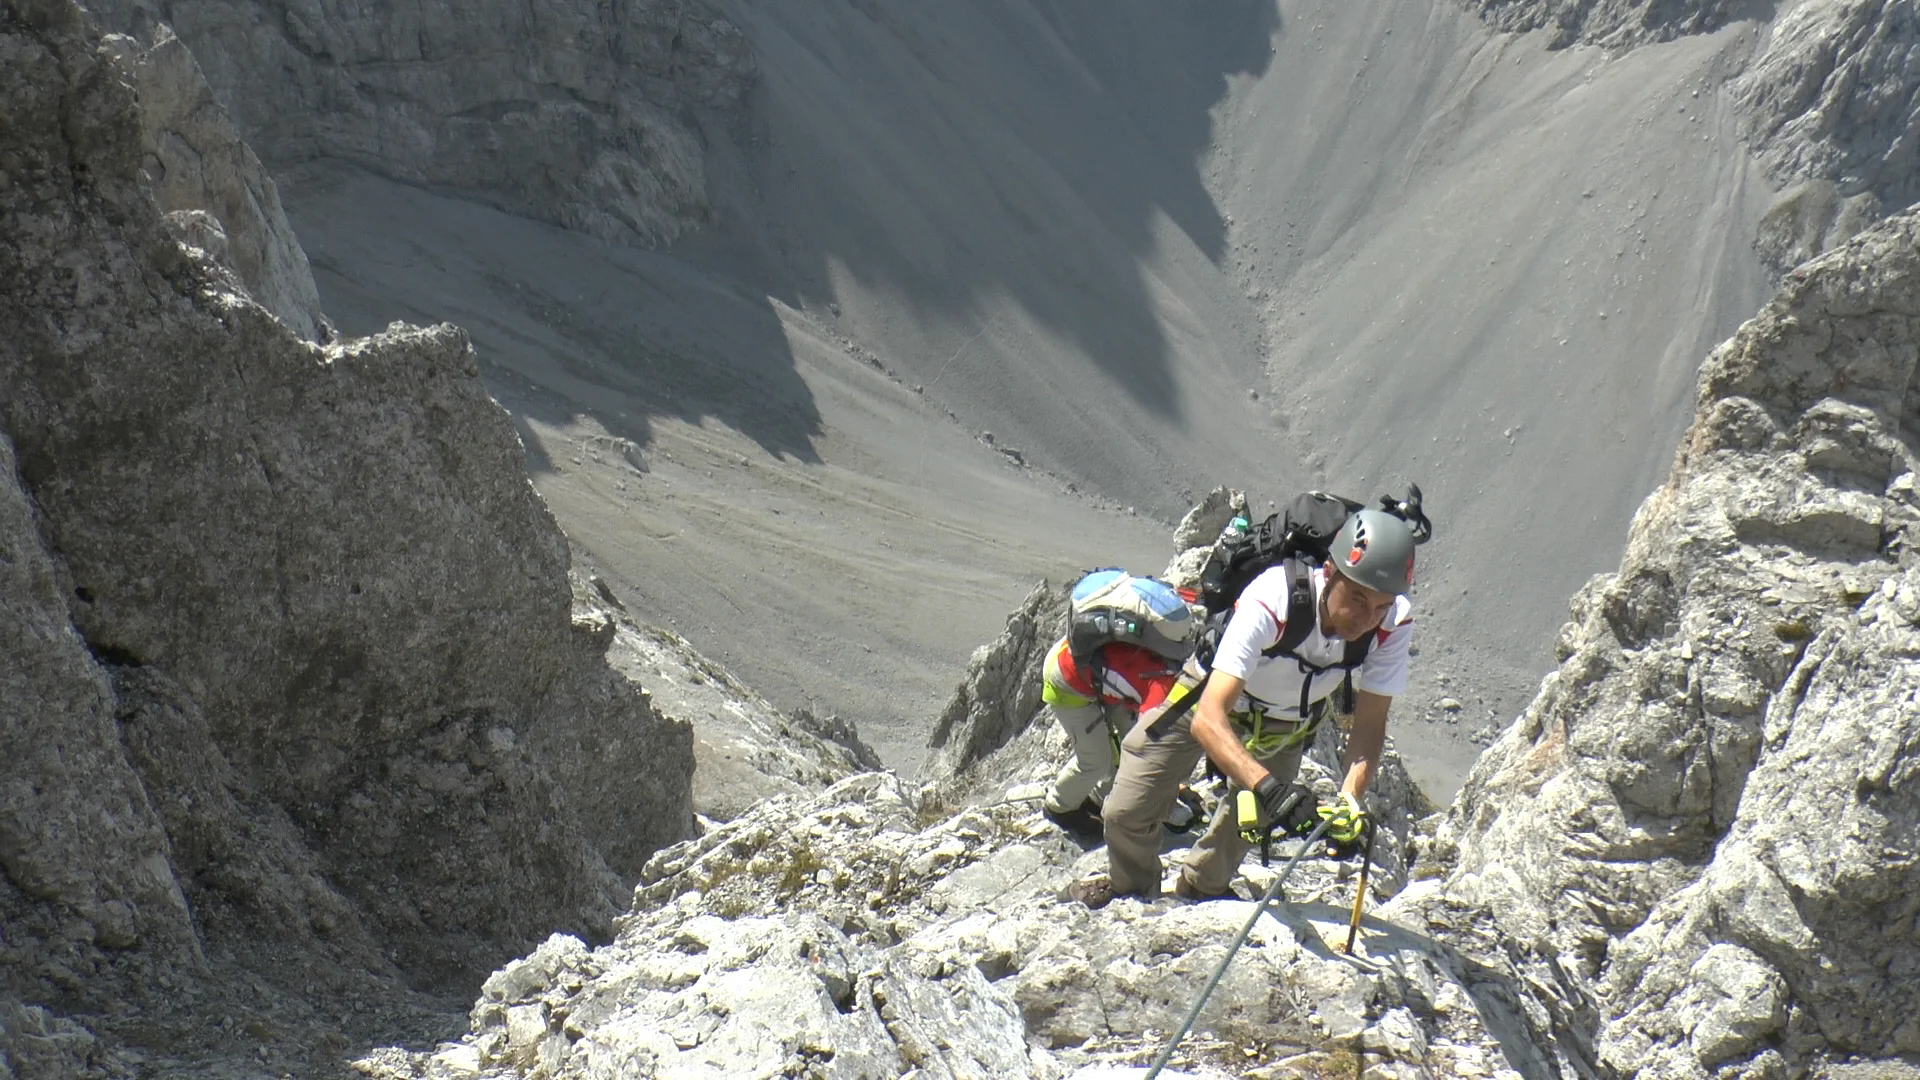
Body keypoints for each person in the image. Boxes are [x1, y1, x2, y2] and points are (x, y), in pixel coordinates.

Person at [1069, 507, 1418, 907]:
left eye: (1380, 606)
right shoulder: (1275, 597)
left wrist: (1349, 804)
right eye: (1357, 598)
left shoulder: (1393, 623)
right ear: (1329, 571)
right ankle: (1132, 887)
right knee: (1125, 811)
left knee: (1242, 830)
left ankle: (1202, 889)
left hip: (1285, 723)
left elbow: (1369, 725)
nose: (1366, 618)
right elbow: (1208, 719)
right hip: (1205, 698)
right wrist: (1269, 789)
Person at [1038, 634, 1183, 839]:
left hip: (1082, 657)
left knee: (1125, 740)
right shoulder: (1160, 696)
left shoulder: (1171, 663)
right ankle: (1059, 807)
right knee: (1095, 761)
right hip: (1066, 680)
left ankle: (1099, 798)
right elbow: (1145, 755)